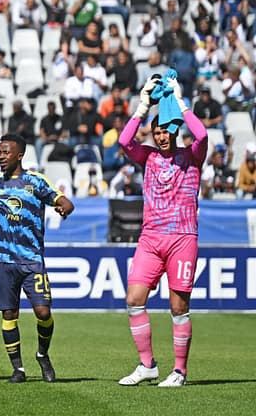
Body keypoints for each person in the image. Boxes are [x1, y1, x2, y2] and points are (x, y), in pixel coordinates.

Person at [116, 75, 208, 387]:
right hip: (150, 238)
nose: (160, 136)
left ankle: (180, 372)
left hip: (182, 238)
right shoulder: (148, 156)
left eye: (165, 130)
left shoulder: (191, 156)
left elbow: (203, 134)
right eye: (156, 132)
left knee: (178, 307)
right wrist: (143, 105)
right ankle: (147, 365)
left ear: (175, 130)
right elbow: (124, 142)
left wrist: (181, 103)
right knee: (133, 299)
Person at [0, 133, 75, 384]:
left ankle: (42, 354)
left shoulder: (35, 182)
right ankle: (18, 369)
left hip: (32, 259)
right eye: (0, 153)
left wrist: (64, 207)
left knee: (43, 312)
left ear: (20, 155)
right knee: (9, 315)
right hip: (4, 261)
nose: (1, 157)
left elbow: (64, 201)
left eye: (6, 153)